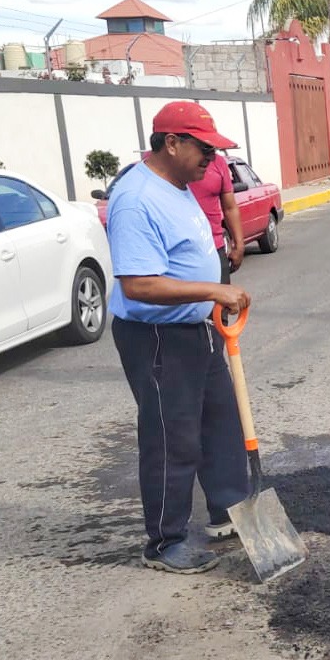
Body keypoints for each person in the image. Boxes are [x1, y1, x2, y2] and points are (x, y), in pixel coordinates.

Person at [107, 101, 252, 573]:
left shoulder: (180, 185)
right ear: (172, 143)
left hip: (198, 327)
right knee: (174, 437)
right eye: (205, 148)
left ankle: (231, 511)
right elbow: (139, 284)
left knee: (222, 422)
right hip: (157, 337)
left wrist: (211, 298)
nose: (213, 158)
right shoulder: (137, 198)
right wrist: (213, 288)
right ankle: (165, 541)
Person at [189, 152, 244, 284]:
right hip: (180, 254)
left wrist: (239, 244)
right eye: (206, 147)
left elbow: (230, 207)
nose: (210, 153)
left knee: (221, 301)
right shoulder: (160, 170)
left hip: (215, 249)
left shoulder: (218, 163)